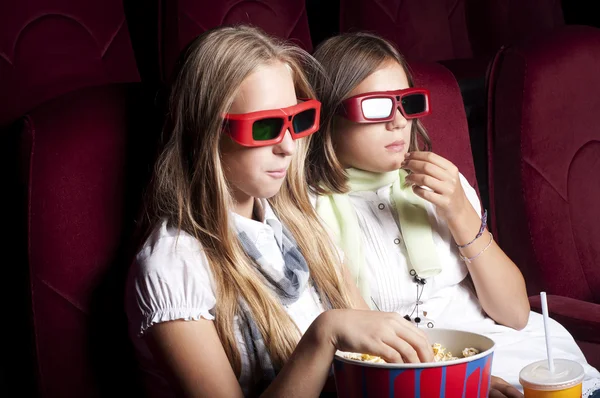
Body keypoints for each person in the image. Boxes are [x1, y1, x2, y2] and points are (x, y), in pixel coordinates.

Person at [125, 25, 435, 398]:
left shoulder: (300, 221)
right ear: (206, 132)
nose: (289, 147)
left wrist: (451, 380)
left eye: (299, 120)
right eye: (266, 126)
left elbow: (377, 357)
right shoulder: (173, 266)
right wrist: (324, 334)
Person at [306, 31, 600, 397]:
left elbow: (514, 314)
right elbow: (364, 347)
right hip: (419, 373)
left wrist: (459, 211)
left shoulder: (442, 181)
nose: (398, 121)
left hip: (507, 348)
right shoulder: (310, 210)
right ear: (329, 116)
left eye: (407, 103)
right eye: (376, 106)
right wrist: (460, 381)